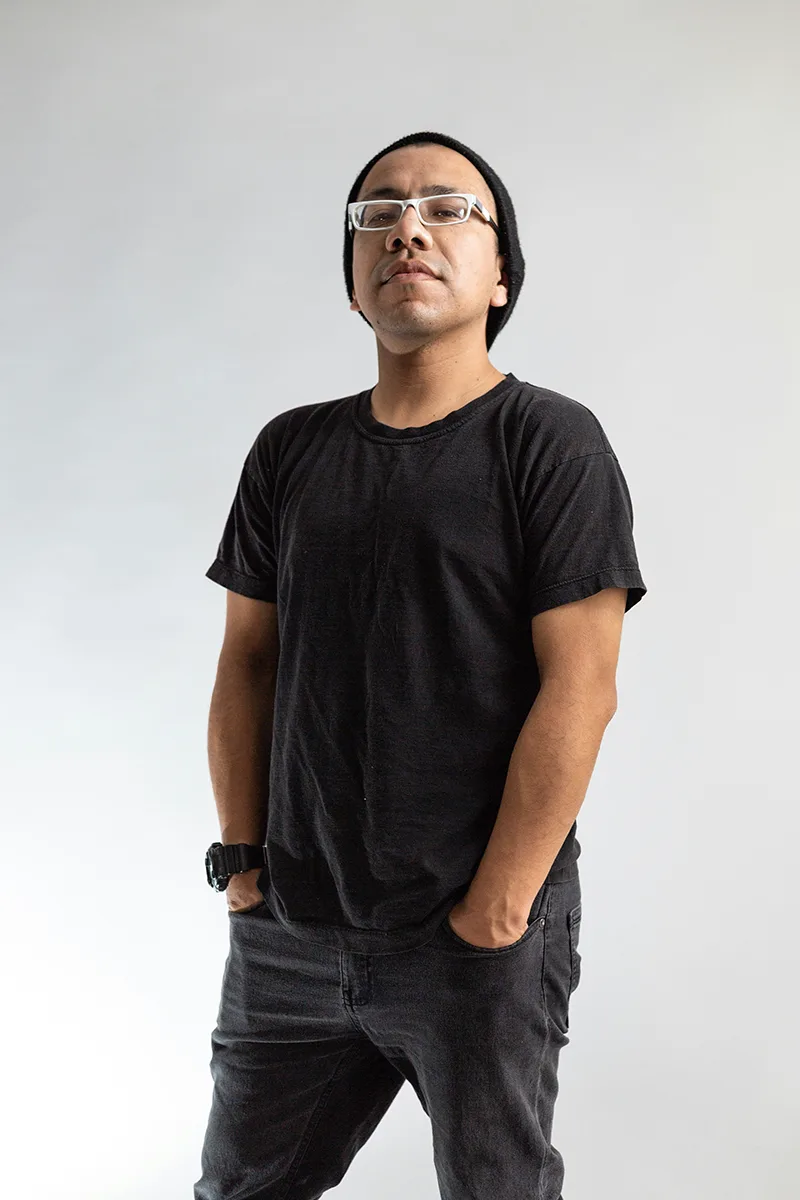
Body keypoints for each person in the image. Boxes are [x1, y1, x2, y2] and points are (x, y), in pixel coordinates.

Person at [194, 130, 647, 1200]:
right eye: (379, 212)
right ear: (353, 284)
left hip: (473, 935)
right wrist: (244, 866)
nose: (407, 226)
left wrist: (495, 909)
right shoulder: (289, 451)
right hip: (291, 930)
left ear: (499, 277)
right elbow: (246, 662)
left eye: (448, 208)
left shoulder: (549, 444)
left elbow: (580, 686)